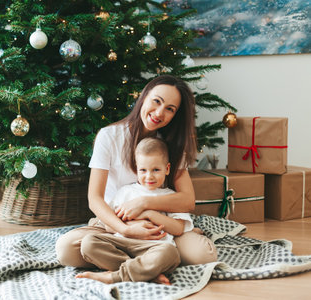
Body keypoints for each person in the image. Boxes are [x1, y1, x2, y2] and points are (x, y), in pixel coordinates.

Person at [55, 75, 217, 272]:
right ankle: (148, 267)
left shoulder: (171, 146)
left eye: (170, 109)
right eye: (157, 101)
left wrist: (144, 204)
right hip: (115, 225)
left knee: (204, 257)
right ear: (144, 96)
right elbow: (94, 198)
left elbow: (187, 200)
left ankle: (130, 262)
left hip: (160, 227)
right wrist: (126, 229)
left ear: (175, 115)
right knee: (66, 250)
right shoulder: (109, 136)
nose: (159, 113)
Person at [75, 137, 194, 284]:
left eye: (156, 170)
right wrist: (129, 228)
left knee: (170, 254)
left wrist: (149, 213)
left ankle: (115, 276)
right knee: (89, 243)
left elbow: (178, 228)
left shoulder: (170, 196)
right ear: (136, 169)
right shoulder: (125, 192)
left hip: (153, 247)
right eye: (143, 170)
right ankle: (148, 273)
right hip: (122, 244)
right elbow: (108, 226)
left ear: (167, 169)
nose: (149, 176)